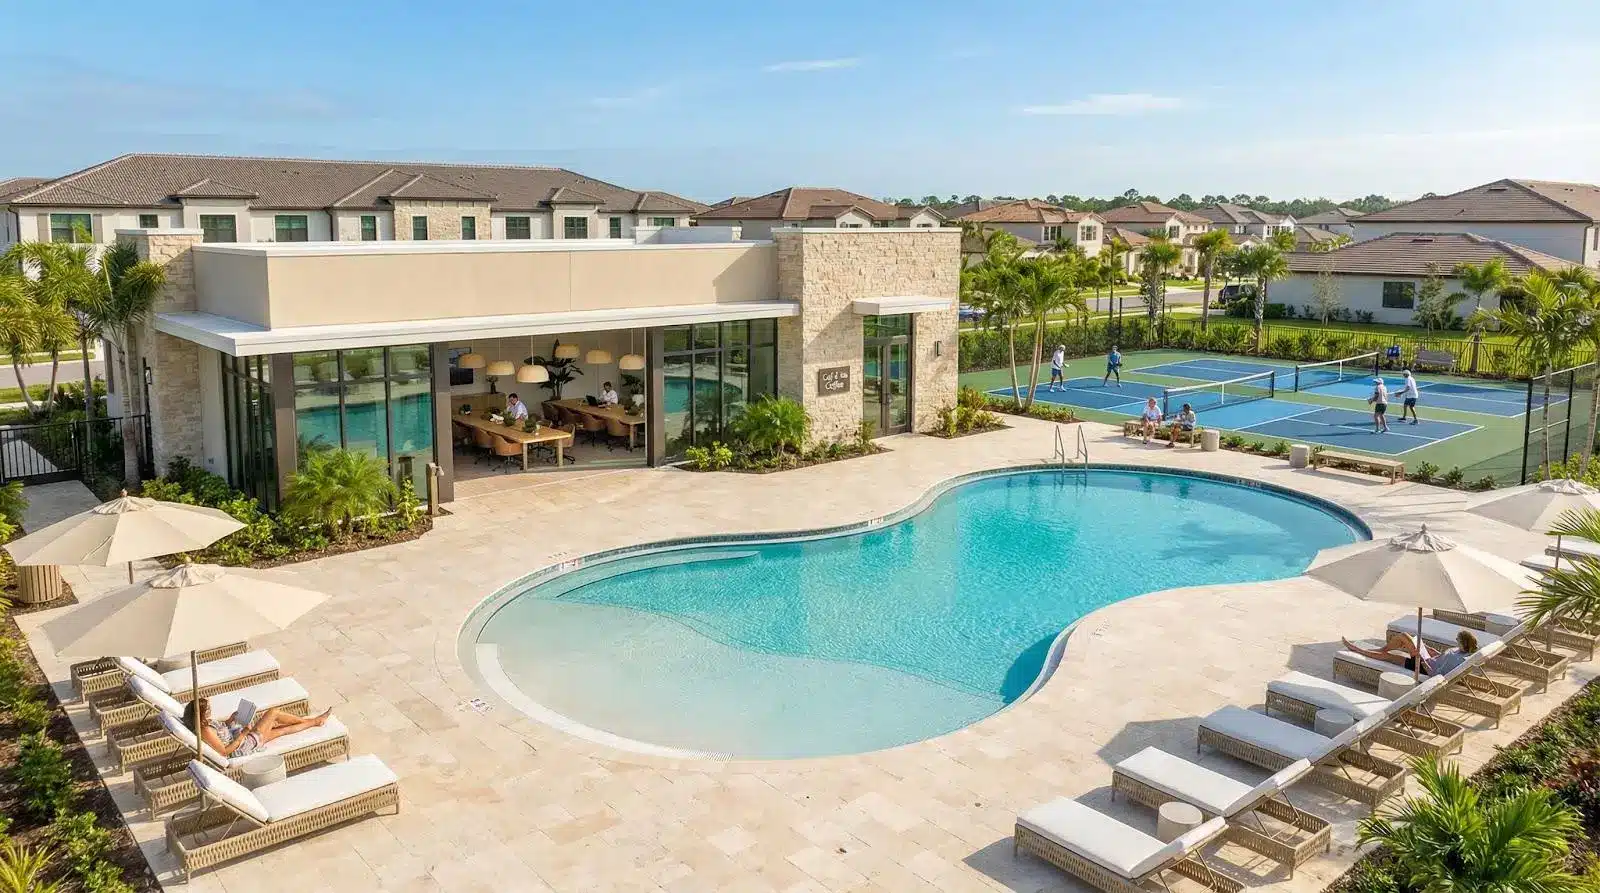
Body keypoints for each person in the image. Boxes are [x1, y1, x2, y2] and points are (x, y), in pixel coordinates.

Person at [182, 696, 332, 759]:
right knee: (273, 713)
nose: (210, 710)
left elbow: (221, 732)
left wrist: (230, 720)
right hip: (243, 745)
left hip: (240, 736)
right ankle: (314, 720)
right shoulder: (205, 730)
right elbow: (224, 751)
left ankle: (315, 721)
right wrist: (244, 733)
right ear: (200, 714)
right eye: (207, 710)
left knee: (281, 730)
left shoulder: (205, 725)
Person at [1341, 631, 1435, 675]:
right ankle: (1360, 649)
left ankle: (1356, 649)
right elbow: (1439, 657)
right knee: (1401, 639)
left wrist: (1426, 659)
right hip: (1426, 660)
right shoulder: (1450, 655)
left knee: (1403, 637)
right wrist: (1432, 651)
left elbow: (1436, 671)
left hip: (1424, 666)